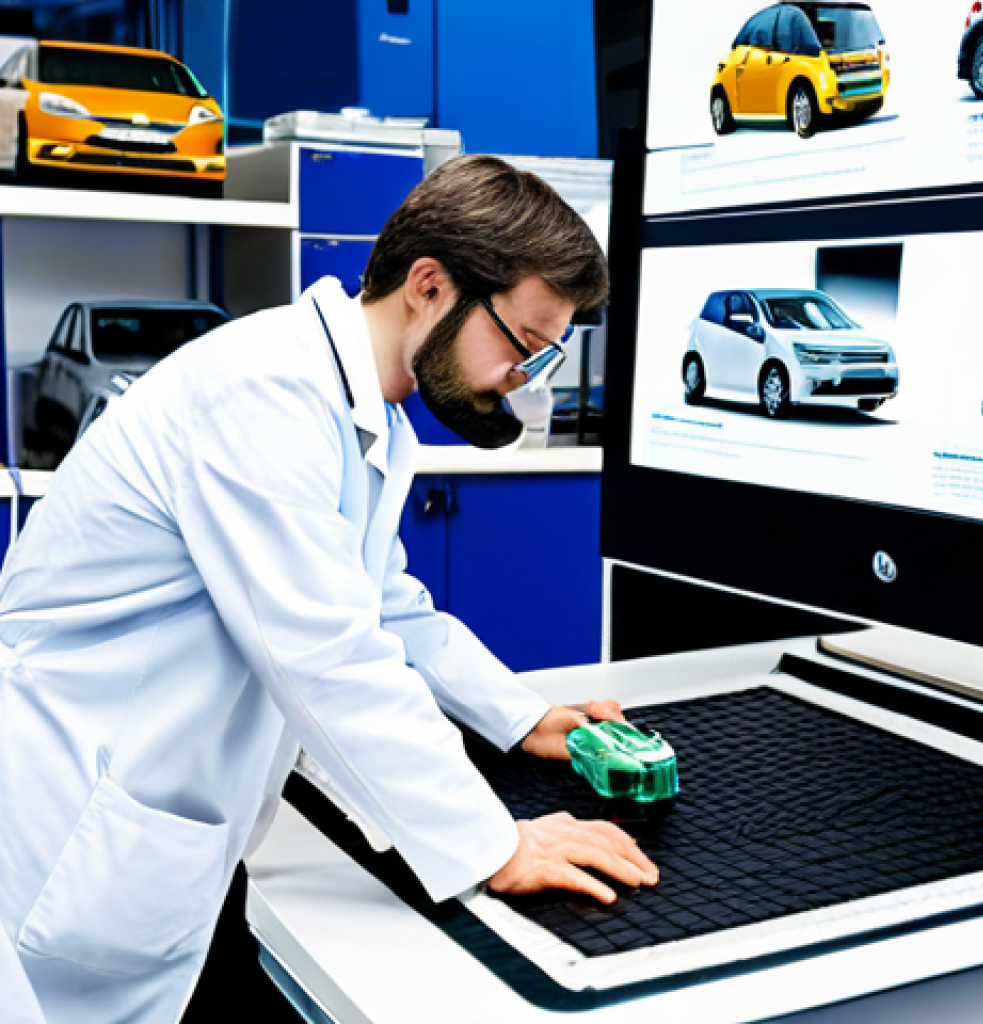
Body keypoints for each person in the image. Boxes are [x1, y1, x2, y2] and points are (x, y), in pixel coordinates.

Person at [0, 155, 658, 1024]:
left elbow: (385, 608)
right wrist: (492, 843)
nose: (523, 381)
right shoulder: (265, 393)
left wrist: (522, 715)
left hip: (159, 827)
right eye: (523, 345)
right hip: (68, 814)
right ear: (429, 285)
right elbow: (326, 656)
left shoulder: (370, 413)